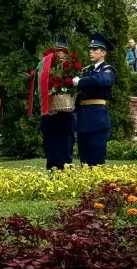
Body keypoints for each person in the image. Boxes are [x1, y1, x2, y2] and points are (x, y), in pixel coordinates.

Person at [72, 33, 116, 166]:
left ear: (103, 52)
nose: (91, 52)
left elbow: (103, 80)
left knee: (96, 160)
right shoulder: (87, 70)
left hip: (98, 120)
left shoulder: (108, 70)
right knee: (84, 161)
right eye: (90, 49)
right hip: (84, 119)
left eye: (94, 49)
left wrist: (81, 82)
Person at [40, 34, 75, 170]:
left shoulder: (71, 69)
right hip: (49, 114)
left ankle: (65, 180)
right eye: (57, 51)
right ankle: (52, 178)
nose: (59, 54)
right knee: (51, 149)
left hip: (65, 114)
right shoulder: (45, 69)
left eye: (62, 51)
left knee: (65, 149)